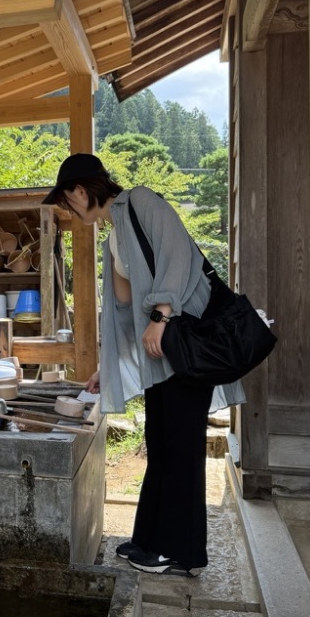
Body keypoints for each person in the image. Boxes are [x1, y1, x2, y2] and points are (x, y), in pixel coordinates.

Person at [42, 153, 214, 577]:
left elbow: (178, 253)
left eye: (67, 202)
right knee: (161, 441)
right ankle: (150, 540)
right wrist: (108, 366)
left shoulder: (140, 202)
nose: (68, 210)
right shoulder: (114, 235)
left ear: (81, 191)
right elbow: (121, 312)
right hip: (162, 357)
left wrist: (161, 314)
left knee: (181, 446)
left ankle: (181, 552)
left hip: (184, 347)